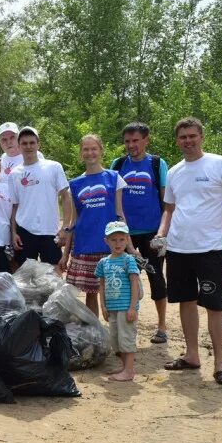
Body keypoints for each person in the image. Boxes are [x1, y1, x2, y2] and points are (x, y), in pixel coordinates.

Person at [153, 117, 222, 386]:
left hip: (209, 248)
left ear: (201, 136)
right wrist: (161, 234)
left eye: (192, 136)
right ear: (177, 141)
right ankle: (192, 355)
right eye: (183, 137)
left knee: (215, 305)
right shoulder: (174, 172)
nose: (188, 141)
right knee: (185, 301)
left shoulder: (220, 164)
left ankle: (220, 365)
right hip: (178, 248)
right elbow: (169, 210)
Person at [109, 121, 170, 344]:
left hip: (152, 233)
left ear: (146, 140)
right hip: (124, 234)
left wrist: (164, 233)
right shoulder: (117, 164)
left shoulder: (156, 163)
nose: (131, 145)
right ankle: (125, 326)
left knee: (156, 278)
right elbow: (111, 199)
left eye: (135, 140)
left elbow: (166, 200)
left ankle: (162, 326)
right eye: (127, 141)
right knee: (124, 281)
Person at [61, 134, 127, 315]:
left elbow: (120, 215)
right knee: (91, 294)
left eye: (93, 149)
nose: (90, 153)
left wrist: (130, 247)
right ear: (81, 153)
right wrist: (65, 255)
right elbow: (73, 221)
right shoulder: (74, 184)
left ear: (101, 150)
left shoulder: (114, 178)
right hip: (84, 246)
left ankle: (116, 334)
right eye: (86, 149)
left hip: (110, 246)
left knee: (114, 294)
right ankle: (97, 335)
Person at [8, 126, 72, 266]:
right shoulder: (14, 174)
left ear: (38, 144)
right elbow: (14, 206)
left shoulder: (54, 167)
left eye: (32, 142)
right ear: (19, 146)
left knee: (54, 276)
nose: (28, 146)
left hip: (50, 231)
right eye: (24, 143)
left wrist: (65, 228)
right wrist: (14, 233)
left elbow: (66, 197)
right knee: (25, 278)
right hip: (24, 230)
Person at [94, 221, 141, 382]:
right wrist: (103, 306)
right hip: (112, 308)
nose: (118, 243)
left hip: (126, 307)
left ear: (127, 240)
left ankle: (129, 371)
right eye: (113, 240)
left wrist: (132, 307)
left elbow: (134, 282)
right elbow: (101, 285)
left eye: (121, 239)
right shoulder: (103, 262)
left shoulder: (129, 260)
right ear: (106, 241)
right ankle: (124, 367)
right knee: (116, 339)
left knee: (127, 338)